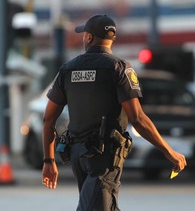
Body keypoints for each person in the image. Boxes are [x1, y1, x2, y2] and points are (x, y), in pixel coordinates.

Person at [42, 14, 187, 210]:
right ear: (112, 38)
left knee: (100, 205)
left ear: (89, 37)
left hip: (77, 155)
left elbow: (48, 119)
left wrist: (49, 160)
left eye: (85, 33)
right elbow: (138, 118)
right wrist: (169, 153)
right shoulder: (119, 68)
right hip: (104, 157)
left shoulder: (68, 70)